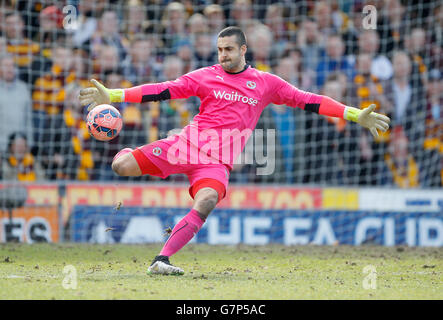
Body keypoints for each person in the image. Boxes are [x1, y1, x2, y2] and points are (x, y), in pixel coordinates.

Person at [79, 26, 390, 275]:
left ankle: (162, 259)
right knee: (121, 167)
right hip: (185, 145)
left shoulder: (266, 83)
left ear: (243, 49)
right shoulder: (205, 76)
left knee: (209, 199)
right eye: (219, 50)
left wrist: (353, 114)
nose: (223, 55)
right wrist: (116, 94)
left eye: (228, 49)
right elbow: (163, 89)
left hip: (216, 164)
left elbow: (309, 99)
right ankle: (130, 152)